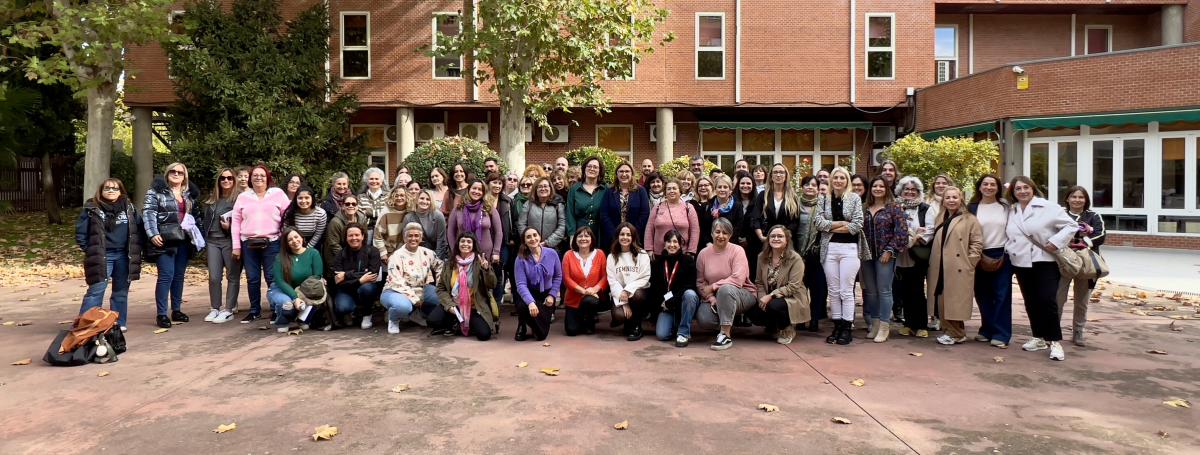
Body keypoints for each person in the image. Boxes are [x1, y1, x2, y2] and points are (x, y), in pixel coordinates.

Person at [1005, 176, 1078, 361]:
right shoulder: (1012, 210)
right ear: (1013, 193)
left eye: (1025, 187)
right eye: (1017, 189)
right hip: (1020, 261)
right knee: (1031, 301)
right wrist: (1010, 249)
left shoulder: (1048, 207)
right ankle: (1037, 337)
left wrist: (1056, 242)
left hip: (1044, 260)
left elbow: (1071, 225)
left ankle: (1054, 341)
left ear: (1033, 188)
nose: (1022, 191)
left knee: (1047, 301)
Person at [77, 178, 142, 332]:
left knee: (120, 292)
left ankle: (118, 323)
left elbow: (138, 229)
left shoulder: (129, 208)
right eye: (107, 188)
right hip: (102, 255)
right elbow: (81, 233)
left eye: (115, 188)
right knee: (96, 290)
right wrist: (92, 249)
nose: (111, 191)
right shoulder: (92, 208)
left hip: (124, 256)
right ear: (101, 191)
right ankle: (86, 323)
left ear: (121, 191)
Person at [232, 164, 291, 324]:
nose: (259, 178)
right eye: (255, 175)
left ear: (268, 178)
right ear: (250, 178)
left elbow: (288, 215)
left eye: (262, 175)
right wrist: (236, 246)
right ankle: (254, 311)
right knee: (252, 278)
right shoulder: (243, 197)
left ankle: (274, 309)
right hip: (248, 243)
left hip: (272, 242)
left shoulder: (278, 194)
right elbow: (236, 222)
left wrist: (285, 238)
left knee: (272, 277)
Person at [814, 166, 866, 346]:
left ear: (847, 181)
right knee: (834, 291)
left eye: (842, 178)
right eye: (835, 177)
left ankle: (846, 327)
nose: (838, 181)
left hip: (849, 249)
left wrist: (833, 226)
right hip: (829, 249)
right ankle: (836, 326)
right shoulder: (824, 199)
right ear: (830, 180)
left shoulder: (854, 198)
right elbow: (819, 223)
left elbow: (857, 225)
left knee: (846, 290)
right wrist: (842, 223)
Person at [144, 162, 200, 328]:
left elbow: (194, 217)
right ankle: (161, 314)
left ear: (185, 176)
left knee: (179, 276)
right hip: (164, 239)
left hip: (183, 240)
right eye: (173, 172)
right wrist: (152, 233)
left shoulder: (188, 195)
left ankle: (176, 309)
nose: (176, 174)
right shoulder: (155, 192)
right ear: (167, 174)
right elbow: (148, 213)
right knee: (166, 275)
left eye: (180, 173)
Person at [929, 187, 983, 346]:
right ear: (943, 200)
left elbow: (977, 242)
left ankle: (957, 334)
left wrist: (970, 262)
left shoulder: (969, 219)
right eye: (948, 197)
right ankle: (951, 332)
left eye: (955, 197)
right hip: (940, 266)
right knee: (943, 300)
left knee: (955, 302)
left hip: (958, 266)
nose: (951, 200)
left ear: (961, 199)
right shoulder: (940, 217)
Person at [696, 217, 758, 350]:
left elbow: (738, 279)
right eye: (717, 232)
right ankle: (728, 317)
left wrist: (713, 286)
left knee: (725, 289)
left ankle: (725, 335)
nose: (721, 236)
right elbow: (700, 282)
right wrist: (711, 298)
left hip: (743, 294)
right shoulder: (703, 254)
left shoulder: (737, 251)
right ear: (712, 233)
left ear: (730, 235)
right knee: (704, 319)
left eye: (725, 233)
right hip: (716, 297)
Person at [860, 176, 908, 343]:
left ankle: (884, 326)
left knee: (884, 290)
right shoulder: (865, 207)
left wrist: (890, 250)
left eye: (881, 186)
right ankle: (874, 323)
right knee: (870, 291)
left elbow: (901, 233)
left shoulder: (894, 208)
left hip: (885, 255)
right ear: (870, 189)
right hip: (866, 256)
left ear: (886, 189)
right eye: (875, 186)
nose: (878, 189)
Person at [1057, 185, 1105, 346]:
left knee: (1082, 300)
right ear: (1067, 199)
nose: (1077, 200)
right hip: (1063, 262)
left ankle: (1078, 332)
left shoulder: (1093, 215)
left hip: (1086, 264)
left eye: (1081, 197)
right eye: (1074, 196)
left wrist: (1085, 240)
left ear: (1086, 200)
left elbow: (1101, 234)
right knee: (1058, 298)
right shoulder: (1059, 215)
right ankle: (1053, 331)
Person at [967, 175, 1012, 348]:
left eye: (993, 184)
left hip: (1002, 253)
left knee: (1001, 295)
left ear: (998, 187)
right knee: (982, 294)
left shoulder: (1005, 206)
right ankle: (987, 329)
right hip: (978, 253)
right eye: (985, 184)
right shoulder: (971, 208)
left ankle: (1002, 334)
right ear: (979, 187)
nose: (989, 187)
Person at [432, 231, 497, 340]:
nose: (465, 244)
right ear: (458, 244)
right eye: (462, 241)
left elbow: (492, 284)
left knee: (484, 335)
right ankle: (455, 321)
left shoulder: (480, 262)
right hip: (454, 304)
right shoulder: (449, 264)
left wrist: (486, 270)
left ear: (473, 245)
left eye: (469, 242)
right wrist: (449, 305)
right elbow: (441, 288)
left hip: (474, 306)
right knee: (432, 320)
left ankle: (464, 324)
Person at [379, 222, 443, 333]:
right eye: (410, 236)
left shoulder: (427, 253)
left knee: (442, 297)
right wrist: (414, 299)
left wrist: (439, 285)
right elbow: (396, 281)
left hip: (421, 288)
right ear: (404, 238)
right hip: (396, 291)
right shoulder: (396, 256)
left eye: (416, 236)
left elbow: (440, 266)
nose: (413, 238)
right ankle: (393, 318)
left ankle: (416, 314)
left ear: (421, 237)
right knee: (403, 306)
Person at [755, 225, 810, 345]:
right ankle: (773, 325)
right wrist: (762, 298)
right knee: (753, 308)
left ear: (787, 240)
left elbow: (793, 286)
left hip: (791, 296)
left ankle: (787, 329)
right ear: (768, 239)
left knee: (774, 305)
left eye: (780, 236)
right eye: (772, 236)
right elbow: (759, 282)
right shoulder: (762, 257)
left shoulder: (795, 259)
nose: (776, 239)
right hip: (769, 295)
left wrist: (770, 296)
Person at [894, 176, 933, 338]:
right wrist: (913, 235)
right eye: (906, 189)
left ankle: (921, 325)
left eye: (913, 190)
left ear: (918, 192)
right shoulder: (896, 207)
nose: (909, 192)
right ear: (901, 191)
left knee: (917, 290)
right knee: (904, 290)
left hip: (918, 254)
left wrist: (916, 238)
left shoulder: (925, 208)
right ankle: (908, 324)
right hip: (900, 255)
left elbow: (929, 229)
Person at [201, 168, 241, 324]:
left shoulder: (239, 200)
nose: (226, 181)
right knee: (214, 277)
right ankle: (214, 308)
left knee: (232, 276)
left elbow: (242, 222)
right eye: (223, 178)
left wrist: (229, 228)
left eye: (230, 178)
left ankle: (229, 309)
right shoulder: (212, 200)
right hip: (212, 241)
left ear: (234, 181)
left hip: (230, 241)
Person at [644, 230, 696, 346]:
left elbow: (689, 286)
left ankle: (683, 333)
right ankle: (674, 324)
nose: (672, 245)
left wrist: (670, 300)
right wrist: (664, 302)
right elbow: (655, 288)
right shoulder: (658, 263)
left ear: (680, 244)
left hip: (681, 302)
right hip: (666, 306)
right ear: (664, 244)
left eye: (675, 241)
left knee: (690, 294)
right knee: (662, 335)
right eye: (668, 241)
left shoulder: (687, 261)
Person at [750, 163, 802, 278]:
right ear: (771, 176)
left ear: (786, 176)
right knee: (765, 274)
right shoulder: (763, 195)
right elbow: (755, 218)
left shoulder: (793, 196)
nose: (778, 175)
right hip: (766, 240)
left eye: (781, 172)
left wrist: (784, 237)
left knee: (784, 274)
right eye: (775, 172)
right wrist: (761, 236)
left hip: (787, 242)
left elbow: (795, 221)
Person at [268, 228, 324, 332]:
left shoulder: (313, 253)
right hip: (282, 289)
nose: (294, 241)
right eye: (290, 240)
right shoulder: (280, 257)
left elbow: (317, 275)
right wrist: (295, 297)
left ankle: (301, 319)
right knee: (287, 304)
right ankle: (282, 321)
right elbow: (280, 281)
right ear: (286, 243)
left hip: (305, 290)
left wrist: (301, 295)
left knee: (313, 298)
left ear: (301, 237)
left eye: (296, 237)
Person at [605, 222, 652, 341]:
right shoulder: (611, 256)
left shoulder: (642, 254)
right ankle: (628, 323)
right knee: (619, 315)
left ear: (633, 237)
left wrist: (627, 291)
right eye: (622, 234)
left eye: (628, 235)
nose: (625, 237)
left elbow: (644, 277)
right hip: (620, 295)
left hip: (638, 293)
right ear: (617, 236)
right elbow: (612, 281)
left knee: (637, 295)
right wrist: (624, 302)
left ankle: (636, 326)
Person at [514, 227, 563, 341]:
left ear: (540, 237)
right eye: (528, 237)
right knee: (522, 305)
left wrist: (552, 295)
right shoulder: (520, 259)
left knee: (541, 335)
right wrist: (530, 302)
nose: (532, 239)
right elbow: (521, 284)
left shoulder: (552, 253)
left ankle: (533, 323)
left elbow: (558, 276)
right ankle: (522, 324)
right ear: (524, 241)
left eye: (535, 235)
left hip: (546, 294)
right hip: (529, 293)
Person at [330, 223, 382, 330]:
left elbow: (372, 274)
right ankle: (352, 312)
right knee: (342, 307)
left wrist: (346, 274)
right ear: (346, 237)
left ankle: (367, 314)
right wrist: (360, 280)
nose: (354, 238)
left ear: (363, 236)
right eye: (350, 235)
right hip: (346, 290)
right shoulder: (340, 255)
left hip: (365, 288)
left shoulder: (373, 251)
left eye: (357, 235)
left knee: (367, 288)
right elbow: (338, 281)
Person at [562, 226, 609, 336]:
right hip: (573, 298)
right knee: (571, 331)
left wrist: (594, 289)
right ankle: (579, 318)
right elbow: (566, 279)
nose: (583, 238)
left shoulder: (600, 254)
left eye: (587, 236)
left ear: (592, 239)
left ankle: (589, 320)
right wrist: (584, 291)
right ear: (575, 239)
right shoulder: (568, 255)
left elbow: (605, 277)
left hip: (592, 297)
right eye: (580, 236)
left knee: (590, 301)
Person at [447, 180, 504, 268]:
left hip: (485, 254)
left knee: (484, 280)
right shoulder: (458, 209)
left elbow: (499, 232)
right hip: (463, 253)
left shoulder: (489, 208)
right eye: (474, 188)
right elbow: (450, 232)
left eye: (480, 189)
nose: (476, 191)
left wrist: (496, 252)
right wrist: (454, 251)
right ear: (469, 190)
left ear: (483, 192)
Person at [795, 176, 827, 332]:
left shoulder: (824, 204)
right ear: (802, 187)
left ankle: (814, 318)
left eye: (814, 185)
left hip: (817, 250)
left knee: (817, 287)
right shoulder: (795, 203)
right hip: (797, 250)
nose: (810, 187)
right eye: (807, 184)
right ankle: (801, 318)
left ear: (818, 188)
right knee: (800, 287)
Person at [599, 162, 651, 250]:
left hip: (635, 238)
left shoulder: (640, 191)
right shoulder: (609, 191)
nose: (624, 174)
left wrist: (632, 234)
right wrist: (615, 234)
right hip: (612, 239)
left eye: (627, 171)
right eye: (621, 171)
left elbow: (644, 214)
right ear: (617, 174)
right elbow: (604, 214)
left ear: (632, 174)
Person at [644, 179, 700, 258]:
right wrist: (649, 249)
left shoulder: (688, 208)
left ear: (680, 190)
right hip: (659, 254)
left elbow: (695, 231)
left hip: (682, 254)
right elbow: (649, 229)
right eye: (669, 189)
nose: (671, 191)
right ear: (665, 192)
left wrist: (691, 251)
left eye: (674, 188)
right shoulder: (657, 207)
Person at [484, 172, 515, 309]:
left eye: (500, 183)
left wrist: (512, 237)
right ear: (488, 183)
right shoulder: (482, 200)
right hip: (485, 242)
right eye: (494, 182)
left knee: (498, 271)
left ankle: (496, 302)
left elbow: (514, 220)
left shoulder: (508, 201)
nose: (497, 185)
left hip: (503, 244)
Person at [565, 157, 607, 245]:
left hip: (600, 233)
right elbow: (570, 214)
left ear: (600, 171)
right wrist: (572, 235)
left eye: (595, 167)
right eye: (589, 166)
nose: (592, 169)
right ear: (584, 169)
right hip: (579, 233)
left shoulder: (605, 189)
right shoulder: (574, 189)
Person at [519, 177, 567, 251]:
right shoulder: (528, 204)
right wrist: (531, 241)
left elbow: (562, 226)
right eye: (540, 187)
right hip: (530, 248)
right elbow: (521, 225)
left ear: (550, 188)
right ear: (535, 189)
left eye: (545, 186)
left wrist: (547, 243)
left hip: (552, 248)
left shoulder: (558, 205)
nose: (543, 189)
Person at [403, 190, 450, 259]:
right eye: (422, 198)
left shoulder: (438, 216)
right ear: (416, 200)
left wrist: (436, 260)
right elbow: (406, 240)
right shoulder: (408, 217)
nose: (424, 201)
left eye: (428, 199)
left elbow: (441, 241)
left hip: (435, 253)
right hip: (415, 255)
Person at [324, 194, 363, 274]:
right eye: (347, 204)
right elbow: (334, 245)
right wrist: (349, 259)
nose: (351, 206)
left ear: (357, 206)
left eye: (354, 204)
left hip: (355, 254)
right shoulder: (335, 222)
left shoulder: (362, 219)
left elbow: (363, 238)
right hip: (337, 256)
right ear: (343, 206)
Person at [373, 186, 411, 264]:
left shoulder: (410, 212)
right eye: (396, 195)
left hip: (404, 251)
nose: (399, 198)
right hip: (388, 252)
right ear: (392, 197)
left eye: (402, 195)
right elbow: (377, 236)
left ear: (407, 196)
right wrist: (383, 253)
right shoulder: (386, 212)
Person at [357, 167, 389, 238]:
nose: (374, 181)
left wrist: (368, 212)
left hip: (383, 231)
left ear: (381, 182)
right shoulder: (360, 197)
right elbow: (360, 215)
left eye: (377, 179)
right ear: (367, 181)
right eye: (371, 179)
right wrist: (380, 212)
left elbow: (387, 213)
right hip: (366, 231)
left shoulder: (388, 196)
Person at [690, 176, 716, 249]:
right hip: (697, 244)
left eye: (706, 185)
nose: (703, 188)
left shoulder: (716, 203)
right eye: (700, 186)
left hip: (714, 243)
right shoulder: (692, 204)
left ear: (712, 187)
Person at [734, 174, 757, 250]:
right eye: (742, 183)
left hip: (753, 243)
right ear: (738, 185)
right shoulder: (731, 201)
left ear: (753, 185)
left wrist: (747, 238)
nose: (745, 185)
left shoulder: (758, 202)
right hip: (733, 242)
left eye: (748, 183)